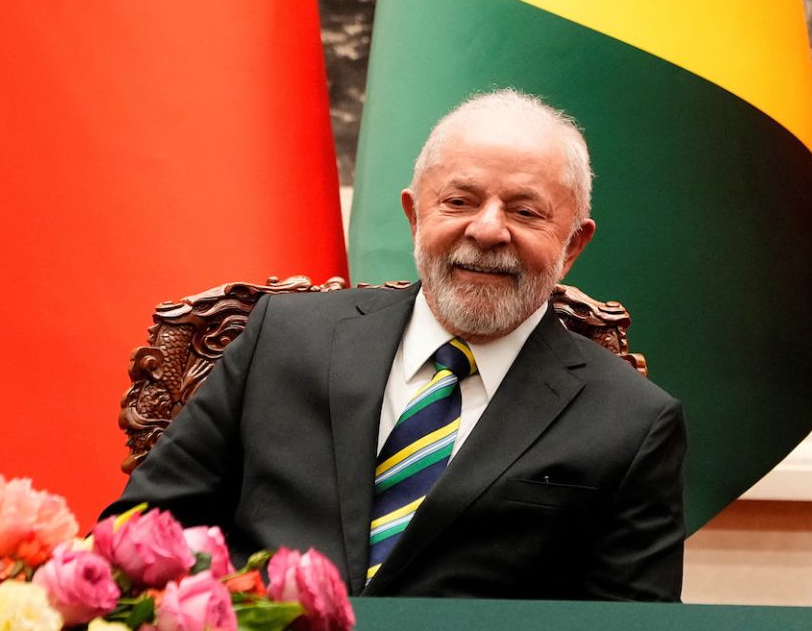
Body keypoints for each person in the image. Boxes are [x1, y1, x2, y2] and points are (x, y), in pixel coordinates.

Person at [103, 90, 686, 600]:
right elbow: (138, 534)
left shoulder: (633, 424)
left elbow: (631, 624)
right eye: (458, 202)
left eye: (525, 211)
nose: (486, 230)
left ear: (573, 243)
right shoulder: (281, 340)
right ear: (414, 215)